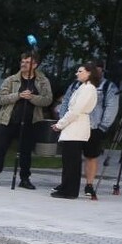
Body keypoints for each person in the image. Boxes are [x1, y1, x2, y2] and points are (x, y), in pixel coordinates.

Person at [0, 51, 53, 189]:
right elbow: (1, 99)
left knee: (26, 151)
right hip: (9, 120)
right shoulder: (11, 80)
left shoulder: (42, 81)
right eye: (22, 61)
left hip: (30, 121)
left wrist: (32, 97)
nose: (23, 64)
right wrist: (18, 95)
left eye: (27, 62)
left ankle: (24, 178)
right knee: (0, 149)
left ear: (35, 65)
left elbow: (47, 100)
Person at [60, 60, 120, 198]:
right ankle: (66, 184)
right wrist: (63, 119)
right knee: (71, 157)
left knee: (91, 156)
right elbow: (66, 101)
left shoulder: (107, 86)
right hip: (74, 125)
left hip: (94, 126)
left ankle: (89, 184)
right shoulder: (76, 85)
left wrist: (103, 126)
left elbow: (111, 107)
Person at [50, 62, 100, 200]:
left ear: (89, 73)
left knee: (72, 161)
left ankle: (70, 190)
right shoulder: (82, 87)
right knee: (68, 160)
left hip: (77, 127)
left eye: (80, 71)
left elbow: (75, 111)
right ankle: (66, 187)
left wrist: (60, 124)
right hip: (73, 126)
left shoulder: (88, 88)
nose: (77, 73)